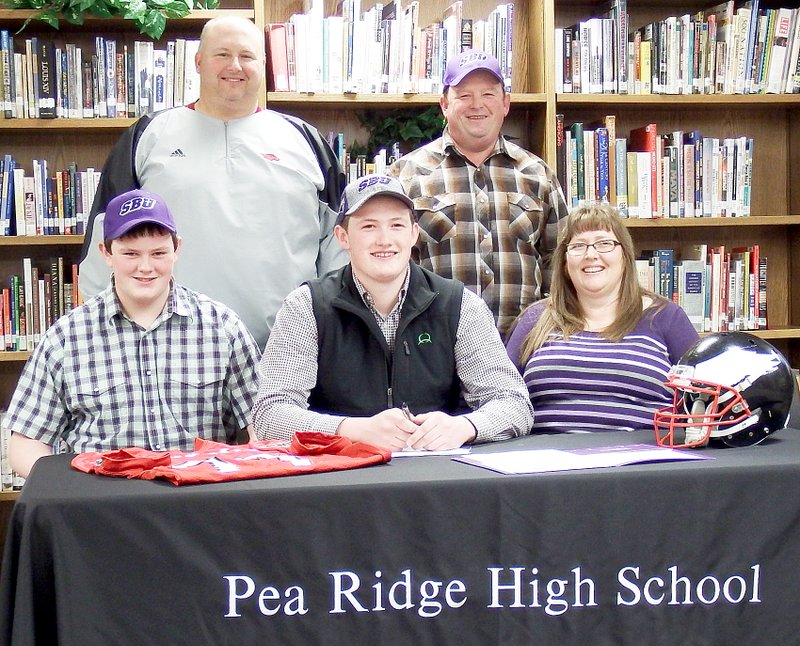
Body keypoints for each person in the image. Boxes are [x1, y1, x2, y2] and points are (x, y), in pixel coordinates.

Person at [78, 16, 347, 349]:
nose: (235, 66)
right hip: (169, 351)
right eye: (222, 54)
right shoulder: (147, 137)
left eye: (247, 56)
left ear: (263, 64)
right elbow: (105, 241)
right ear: (199, 61)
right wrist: (109, 338)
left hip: (287, 350)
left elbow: (340, 248)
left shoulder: (306, 141)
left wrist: (337, 334)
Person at [252, 174, 534, 451]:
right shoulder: (307, 307)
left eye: (397, 225)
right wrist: (351, 430)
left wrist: (465, 427)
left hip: (435, 479)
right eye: (369, 227)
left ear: (413, 234)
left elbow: (514, 403)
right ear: (343, 237)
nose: (384, 240)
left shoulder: (459, 305)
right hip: (336, 482)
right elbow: (270, 414)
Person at [4, 189, 261, 478]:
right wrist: (71, 493)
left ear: (177, 250)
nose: (146, 267)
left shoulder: (223, 328)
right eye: (130, 254)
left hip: (200, 500)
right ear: (106, 253)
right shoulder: (65, 339)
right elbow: (25, 444)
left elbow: (260, 425)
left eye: (159, 253)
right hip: (102, 506)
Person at [388, 49, 569, 337]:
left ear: (505, 103)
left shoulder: (537, 175)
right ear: (445, 104)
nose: (477, 105)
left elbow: (558, 262)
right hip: (432, 350)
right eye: (464, 95)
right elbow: (389, 265)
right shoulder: (406, 176)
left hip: (522, 349)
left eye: (488, 95)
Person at [505, 200, 699, 433]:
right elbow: (501, 396)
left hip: (644, 461)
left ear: (625, 257)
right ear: (565, 263)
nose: (591, 254)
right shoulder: (535, 319)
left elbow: (705, 398)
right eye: (578, 246)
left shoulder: (667, 318)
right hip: (547, 462)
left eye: (604, 243)